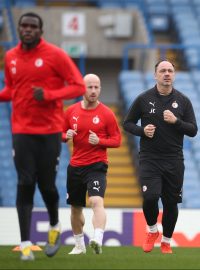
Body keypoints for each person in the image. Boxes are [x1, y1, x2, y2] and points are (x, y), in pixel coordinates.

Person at [0, 12, 86, 260]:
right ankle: (25, 244)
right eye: (23, 26)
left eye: (32, 26)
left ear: (40, 30)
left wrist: (49, 94)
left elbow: (78, 86)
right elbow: (11, 89)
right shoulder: (11, 57)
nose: (27, 29)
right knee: (25, 181)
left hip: (50, 132)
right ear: (18, 29)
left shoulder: (55, 55)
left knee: (46, 185)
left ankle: (54, 224)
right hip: (22, 131)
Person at [123, 60, 198, 254]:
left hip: (174, 159)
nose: (167, 74)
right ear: (155, 75)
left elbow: (193, 130)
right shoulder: (143, 99)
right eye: (162, 71)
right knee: (150, 197)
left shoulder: (183, 101)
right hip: (150, 157)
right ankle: (152, 230)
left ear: (174, 75)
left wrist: (176, 121)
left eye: (170, 71)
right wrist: (142, 131)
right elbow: (128, 123)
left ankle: (166, 241)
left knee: (171, 203)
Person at [62, 73, 121, 255]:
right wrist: (66, 136)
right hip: (76, 166)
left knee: (96, 201)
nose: (94, 91)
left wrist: (100, 141)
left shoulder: (106, 113)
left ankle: (97, 238)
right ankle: (79, 245)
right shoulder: (71, 111)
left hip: (97, 165)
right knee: (75, 207)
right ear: (82, 88)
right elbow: (60, 133)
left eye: (97, 87)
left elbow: (117, 140)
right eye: (90, 87)